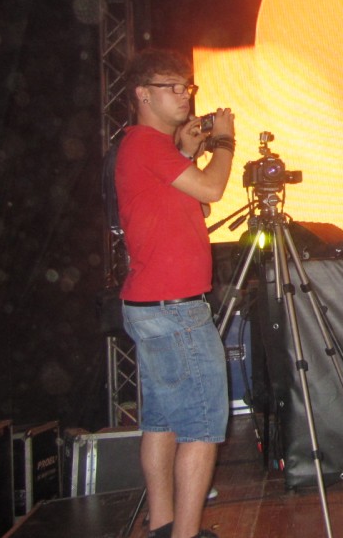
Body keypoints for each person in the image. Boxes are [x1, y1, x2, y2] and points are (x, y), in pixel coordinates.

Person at [114, 48, 236, 538]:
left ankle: (163, 526)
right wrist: (224, 142)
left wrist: (187, 153)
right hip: (174, 307)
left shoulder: (150, 149)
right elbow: (211, 191)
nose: (185, 95)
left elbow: (188, 205)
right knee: (202, 427)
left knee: (162, 422)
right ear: (143, 94)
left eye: (188, 86)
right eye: (173, 87)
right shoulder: (145, 143)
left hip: (154, 304)